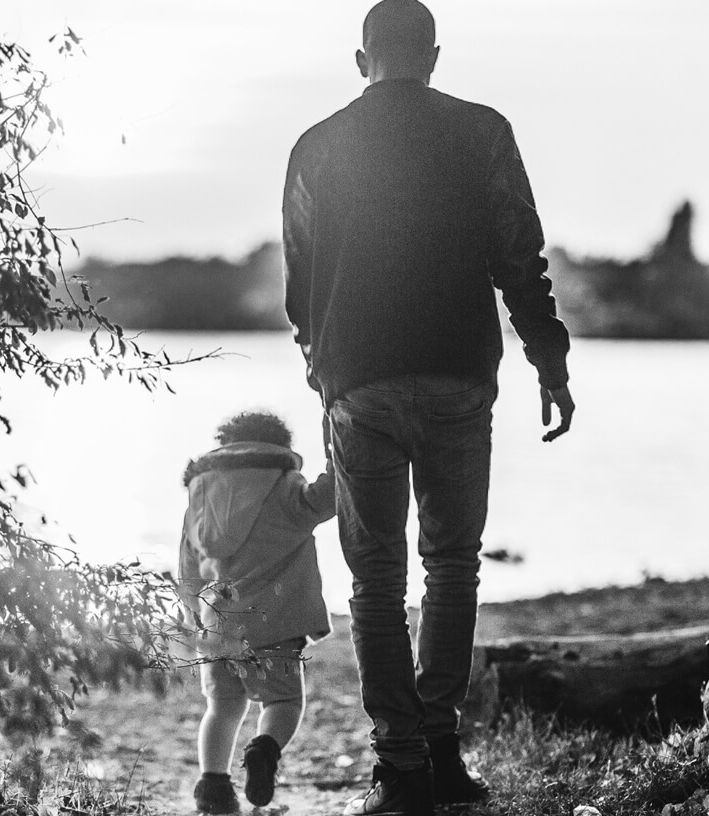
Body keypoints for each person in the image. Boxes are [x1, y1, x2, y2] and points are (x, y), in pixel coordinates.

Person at [281, 2, 576, 815]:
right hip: (455, 376)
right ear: (435, 56)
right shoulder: (483, 132)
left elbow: (300, 280)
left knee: (375, 582)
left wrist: (322, 370)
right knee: (453, 564)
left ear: (359, 58)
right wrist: (548, 358)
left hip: (360, 384)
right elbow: (520, 255)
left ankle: (402, 767)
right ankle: (440, 751)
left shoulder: (315, 146)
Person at [176, 411, 338, 814]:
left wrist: (195, 616)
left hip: (217, 628)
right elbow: (330, 497)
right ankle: (265, 750)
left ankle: (212, 786)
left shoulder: (200, 492)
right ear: (277, 445)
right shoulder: (284, 485)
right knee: (282, 704)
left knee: (222, 709)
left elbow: (187, 567)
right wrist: (339, 450)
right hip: (274, 625)